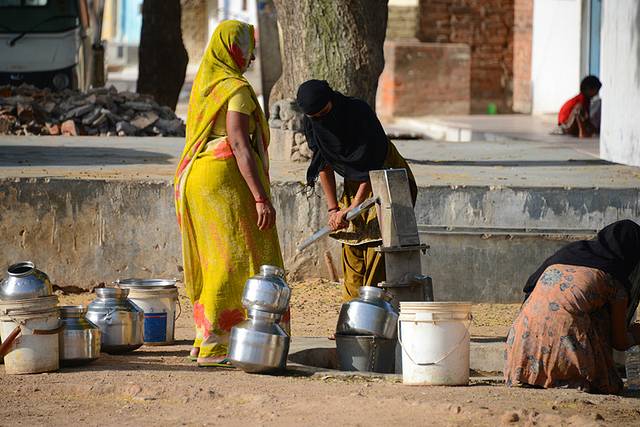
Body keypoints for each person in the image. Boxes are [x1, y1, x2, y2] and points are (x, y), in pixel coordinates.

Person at [174, 20, 284, 366]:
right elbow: (238, 143)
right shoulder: (235, 89)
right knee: (233, 259)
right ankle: (217, 345)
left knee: (213, 260)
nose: (251, 57)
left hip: (196, 179)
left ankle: (201, 337)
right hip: (222, 179)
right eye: (248, 48)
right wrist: (260, 197)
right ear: (235, 50)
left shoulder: (206, 84)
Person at [296, 80, 417, 301]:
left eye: (324, 113)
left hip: (387, 178)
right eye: (315, 117)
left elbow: (372, 162)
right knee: (351, 240)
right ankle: (351, 315)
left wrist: (354, 206)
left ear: (331, 101)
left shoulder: (358, 113)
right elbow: (322, 163)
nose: (321, 120)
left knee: (376, 243)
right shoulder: (312, 122)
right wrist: (335, 208)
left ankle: (371, 312)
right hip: (356, 181)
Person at [505, 220, 640, 394]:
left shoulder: (572, 252)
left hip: (520, 355)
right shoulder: (614, 278)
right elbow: (619, 342)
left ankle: (537, 374)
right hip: (566, 355)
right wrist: (635, 336)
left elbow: (530, 290)